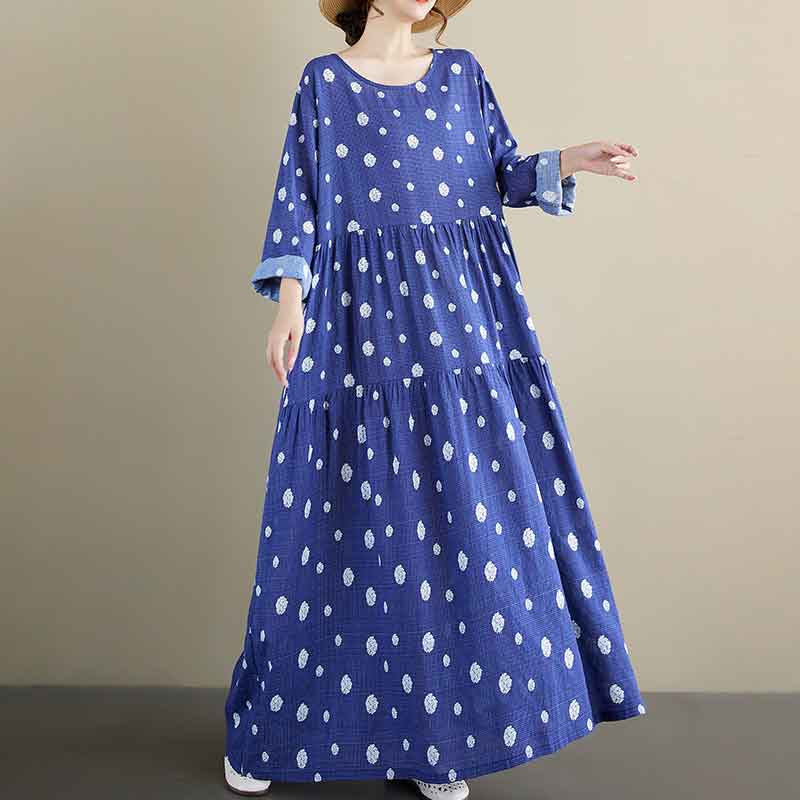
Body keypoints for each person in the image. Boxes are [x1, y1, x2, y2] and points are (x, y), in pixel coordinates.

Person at [223, 1, 645, 797]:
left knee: (464, 523)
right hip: (356, 328)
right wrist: (289, 303)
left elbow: (500, 172)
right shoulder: (323, 83)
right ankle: (270, 735)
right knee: (336, 521)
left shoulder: (463, 75)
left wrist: (571, 159)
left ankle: (444, 743)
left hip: (463, 320)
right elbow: (299, 199)